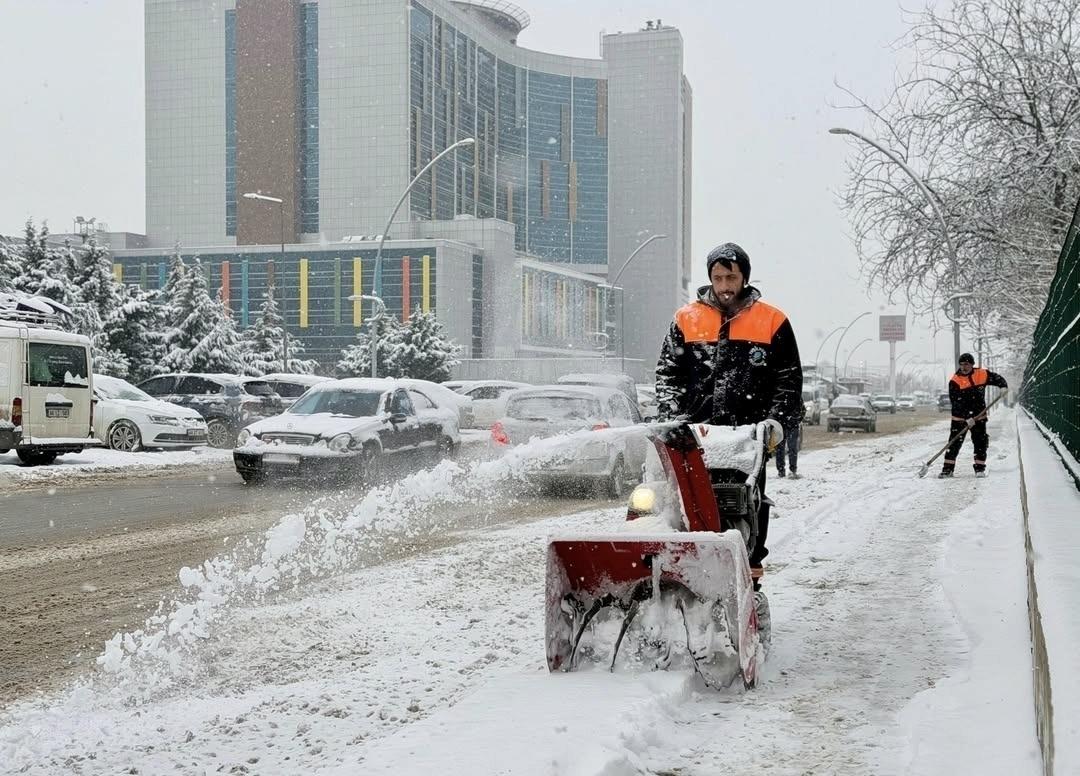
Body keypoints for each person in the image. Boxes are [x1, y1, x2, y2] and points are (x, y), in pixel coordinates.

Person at [656, 242, 803, 590]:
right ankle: (687, 570)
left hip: (747, 437)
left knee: (747, 502)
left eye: (731, 277)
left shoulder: (772, 321)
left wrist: (775, 421)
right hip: (694, 436)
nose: (724, 285)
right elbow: (667, 374)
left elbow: (788, 378)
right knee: (685, 503)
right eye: (718, 277)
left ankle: (749, 571)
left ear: (744, 278)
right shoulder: (686, 319)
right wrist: (671, 418)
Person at [939, 352, 1008, 479]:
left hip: (979, 417)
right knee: (954, 443)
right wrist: (967, 417)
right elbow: (956, 403)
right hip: (959, 419)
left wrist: (1003, 386)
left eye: (966, 364)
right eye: (961, 364)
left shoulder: (981, 374)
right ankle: (947, 469)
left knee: (980, 442)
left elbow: (997, 378)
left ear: (972, 365)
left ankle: (980, 468)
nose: (963, 367)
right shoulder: (955, 381)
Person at [775, 400, 805, 479]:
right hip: (783, 425)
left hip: (788, 425)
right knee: (782, 449)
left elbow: (803, 410)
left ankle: (789, 470)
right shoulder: (782, 396)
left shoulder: (793, 395)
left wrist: (797, 419)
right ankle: (783, 471)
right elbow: (803, 410)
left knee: (788, 448)